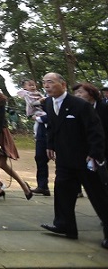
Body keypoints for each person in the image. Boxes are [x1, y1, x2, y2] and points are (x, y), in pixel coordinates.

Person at [40, 72, 108, 249]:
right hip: (64, 158)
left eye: (50, 82)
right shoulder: (48, 103)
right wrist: (50, 145)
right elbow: (52, 128)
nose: (46, 85)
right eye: (44, 82)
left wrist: (95, 154)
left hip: (85, 158)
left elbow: (96, 130)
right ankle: (64, 225)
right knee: (62, 191)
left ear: (62, 84)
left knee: (99, 196)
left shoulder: (79, 105)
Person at [17, 78, 51, 196]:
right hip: (42, 131)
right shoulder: (30, 95)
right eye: (45, 83)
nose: (32, 87)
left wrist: (38, 118)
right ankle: (43, 186)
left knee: (62, 160)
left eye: (50, 83)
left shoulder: (47, 97)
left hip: (54, 131)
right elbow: (29, 102)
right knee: (40, 158)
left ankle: (73, 188)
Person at [72, 82, 108, 156]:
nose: (77, 95)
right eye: (75, 92)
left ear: (91, 93)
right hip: (85, 149)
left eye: (80, 92)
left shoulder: (104, 108)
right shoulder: (76, 109)